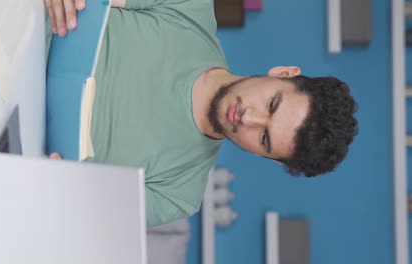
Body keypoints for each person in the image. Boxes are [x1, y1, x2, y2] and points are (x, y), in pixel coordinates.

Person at [45, 0, 359, 227]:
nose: (248, 118)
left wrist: (60, 193)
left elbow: (70, 208)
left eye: (264, 137)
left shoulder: (177, 193)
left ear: (271, 158)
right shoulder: (188, 7)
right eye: (271, 104)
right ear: (284, 73)